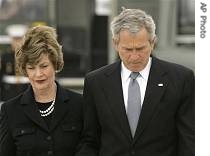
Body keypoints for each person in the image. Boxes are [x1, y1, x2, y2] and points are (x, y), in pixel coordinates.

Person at [76, 8, 195, 156]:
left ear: (153, 43)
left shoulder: (181, 79)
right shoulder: (96, 82)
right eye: (127, 49)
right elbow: (90, 140)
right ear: (115, 43)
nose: (134, 56)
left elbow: (189, 141)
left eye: (140, 48)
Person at [0, 25, 84, 156]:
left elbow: (90, 146)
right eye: (31, 68)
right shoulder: (9, 110)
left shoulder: (80, 105)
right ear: (25, 70)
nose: (38, 74)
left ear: (55, 64)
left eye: (44, 66)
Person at [0, 24, 29, 101]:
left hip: (27, 89)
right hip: (8, 91)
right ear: (11, 40)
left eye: (19, 39)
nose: (17, 42)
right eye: (15, 39)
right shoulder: (5, 56)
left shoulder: (30, 55)